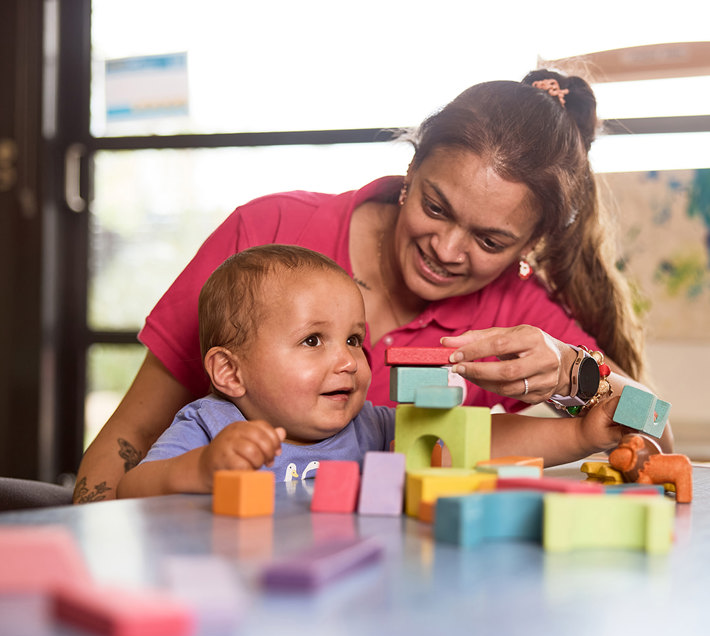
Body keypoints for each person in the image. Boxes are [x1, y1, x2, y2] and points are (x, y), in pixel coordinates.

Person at [74, 69, 671, 504]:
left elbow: (655, 435)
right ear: (411, 171)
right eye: (436, 207)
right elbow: (133, 437)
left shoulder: (518, 313)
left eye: (490, 241)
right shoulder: (268, 236)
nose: (446, 250)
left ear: (530, 245)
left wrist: (570, 373)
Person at [116, 245, 626, 498]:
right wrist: (202, 468)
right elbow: (131, 489)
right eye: (313, 341)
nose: (348, 361)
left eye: (354, 340)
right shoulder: (209, 425)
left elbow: (477, 440)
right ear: (230, 372)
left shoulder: (373, 428)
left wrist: (579, 434)